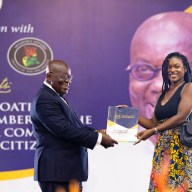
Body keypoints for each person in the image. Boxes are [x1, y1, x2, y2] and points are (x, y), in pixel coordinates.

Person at [30, 59, 118, 192]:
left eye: (69, 77)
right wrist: (99, 139)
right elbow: (64, 130)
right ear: (49, 76)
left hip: (66, 171)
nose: (68, 81)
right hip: (57, 172)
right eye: (63, 77)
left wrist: (97, 132)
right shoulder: (45, 99)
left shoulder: (56, 96)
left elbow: (74, 126)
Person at [134, 52, 192, 191]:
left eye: (177, 66)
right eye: (169, 67)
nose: (172, 70)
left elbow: (181, 117)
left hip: (180, 148)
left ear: (185, 69)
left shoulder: (188, 87)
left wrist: (153, 131)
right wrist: (131, 115)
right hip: (162, 149)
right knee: (160, 186)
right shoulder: (162, 94)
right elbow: (153, 124)